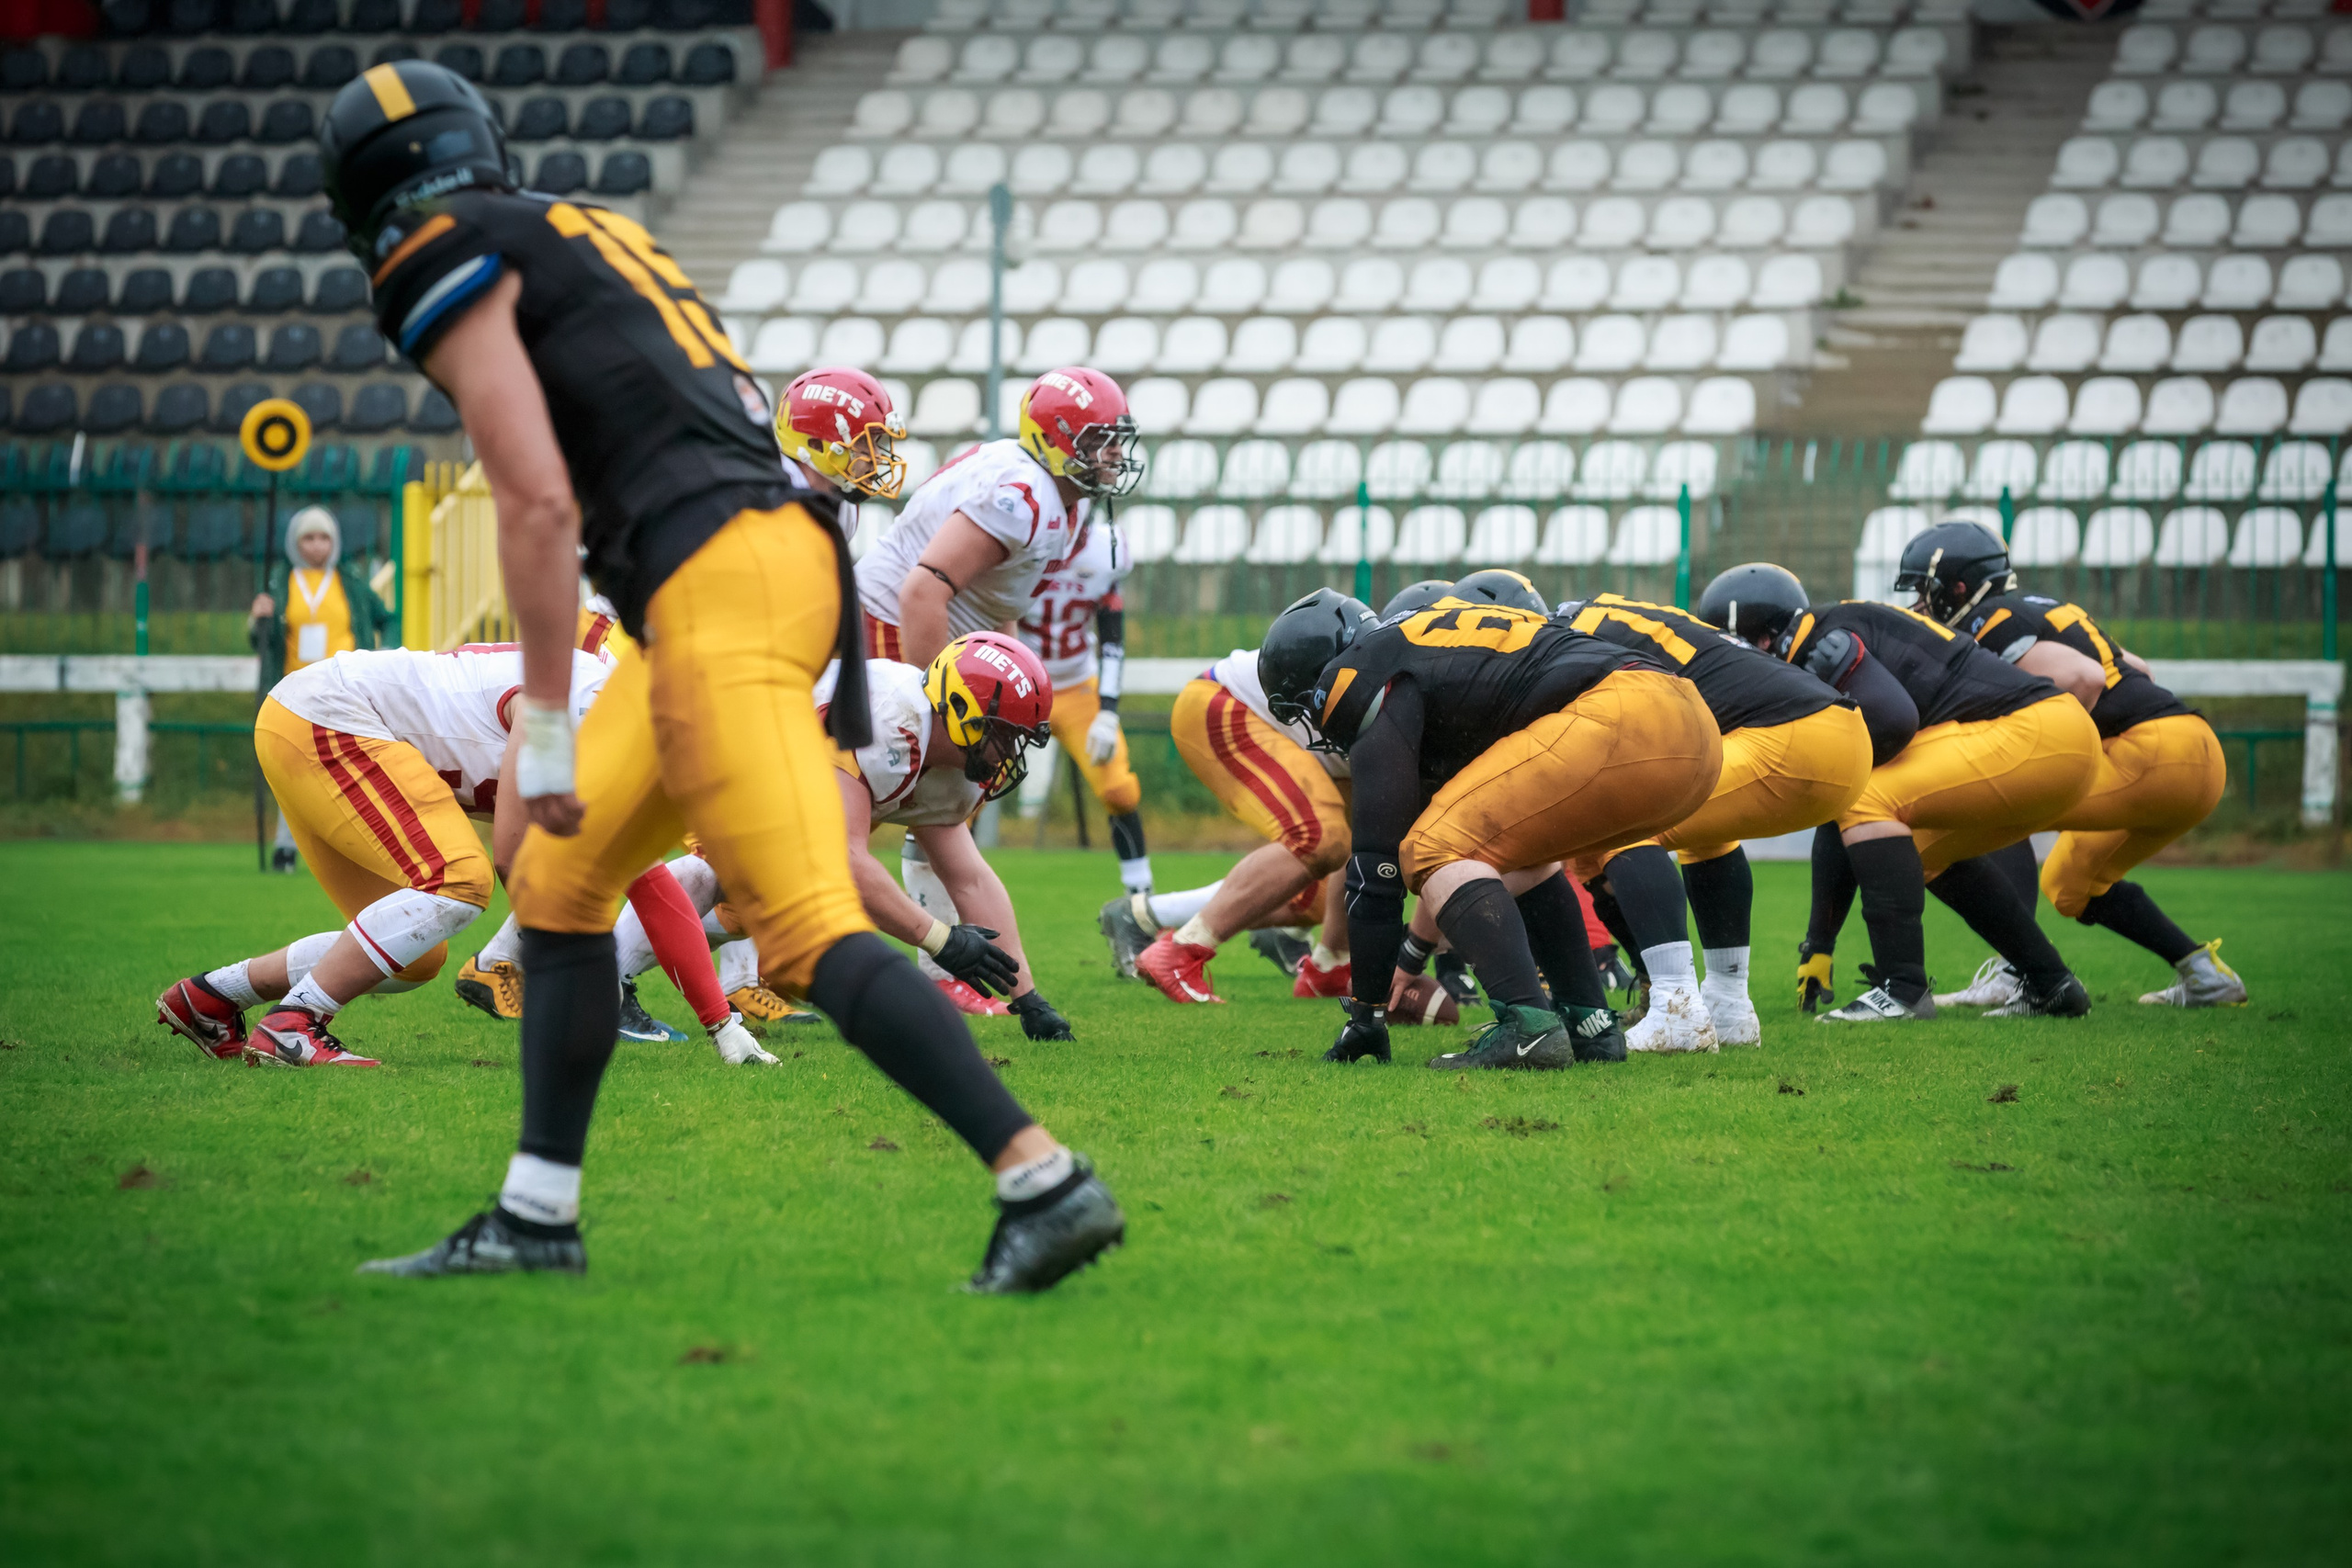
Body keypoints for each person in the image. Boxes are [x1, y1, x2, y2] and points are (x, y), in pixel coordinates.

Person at [321, 62, 1120, 1291]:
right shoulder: (588, 229)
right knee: (562, 882)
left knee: (801, 923)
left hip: (717, 582)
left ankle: (1042, 1178)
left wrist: (541, 719)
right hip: (757, 566)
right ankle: (537, 1215)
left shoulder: (440, 244)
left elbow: (532, 500)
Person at [151, 640, 786, 1065]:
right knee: (458, 879)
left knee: (413, 956)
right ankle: (295, 1023)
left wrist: (721, 1026)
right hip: (328, 716)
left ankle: (211, 997)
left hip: (307, 721)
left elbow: (652, 888)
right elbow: (511, 848)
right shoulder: (594, 704)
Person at [1260, 588, 1724, 1070]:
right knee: (1518, 855)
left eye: (1305, 706)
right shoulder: (1434, 642)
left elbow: (1377, 864)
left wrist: (1367, 1016)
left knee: (1429, 848)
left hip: (1620, 714)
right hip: (1692, 724)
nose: (1315, 723)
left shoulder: (1362, 666)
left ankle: (1527, 1028)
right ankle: (1590, 1024)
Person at [1698, 561, 2103, 1023]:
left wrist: (1821, 939)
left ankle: (1903, 989)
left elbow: (1891, 723)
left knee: (1869, 795)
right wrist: (1820, 943)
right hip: (2060, 739)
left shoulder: (1820, 643)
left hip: (2037, 732)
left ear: (1762, 638)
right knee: (1922, 852)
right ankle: (2051, 982)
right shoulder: (1839, 624)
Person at [1892, 523, 2242, 1009]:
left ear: (1957, 587)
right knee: (2072, 883)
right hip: (2196, 753)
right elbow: (2138, 670)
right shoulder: (2044, 608)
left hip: (2149, 750)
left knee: (1994, 804)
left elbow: (2084, 677)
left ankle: (2024, 974)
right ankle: (2205, 975)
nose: (1921, 606)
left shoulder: (1989, 619)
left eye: (1926, 592)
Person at [1558, 592, 1874, 1052]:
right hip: (1843, 737)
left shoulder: (1575, 633)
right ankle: (1728, 1006)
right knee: (1705, 839)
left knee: (1621, 824)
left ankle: (1674, 1006)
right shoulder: (1623, 616)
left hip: (1791, 737)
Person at [830, 636, 1076, 1043]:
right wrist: (940, 939)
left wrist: (1029, 998)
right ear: (961, 710)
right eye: (1003, 734)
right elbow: (844, 861)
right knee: (730, 891)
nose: (1007, 754)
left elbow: (969, 878)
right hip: (741, 751)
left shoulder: (949, 762)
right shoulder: (890, 725)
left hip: (792, 800)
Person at [1106, 631, 1352, 1005]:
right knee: (1318, 838)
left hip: (1289, 727)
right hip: (1225, 701)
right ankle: (1181, 950)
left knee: (1319, 893)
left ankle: (1331, 965)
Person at [855, 367, 1142, 671]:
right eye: (1099, 440)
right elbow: (922, 592)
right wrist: (935, 704)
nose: (1117, 454)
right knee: (919, 718)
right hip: (893, 618)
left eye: (1117, 441)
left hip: (936, 625)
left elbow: (1000, 599)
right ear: (1050, 438)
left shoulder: (1066, 500)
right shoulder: (1021, 500)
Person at [249, 505, 400, 871]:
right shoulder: (279, 584)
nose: (317, 546)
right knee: (294, 770)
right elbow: (260, 641)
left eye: (324, 538)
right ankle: (287, 847)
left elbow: (389, 620)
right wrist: (259, 618)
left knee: (350, 768)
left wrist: (384, 655)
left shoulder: (350, 582)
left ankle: (357, 848)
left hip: (344, 690)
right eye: (308, 538)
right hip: (292, 692)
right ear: (294, 543)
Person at [1015, 514, 1155, 899]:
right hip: (1019, 684)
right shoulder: (1016, 539)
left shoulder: (1106, 552)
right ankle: (951, 898)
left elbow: (1112, 641)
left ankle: (1140, 897)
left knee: (1118, 790)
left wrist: (1108, 709)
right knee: (967, 795)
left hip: (1078, 686)